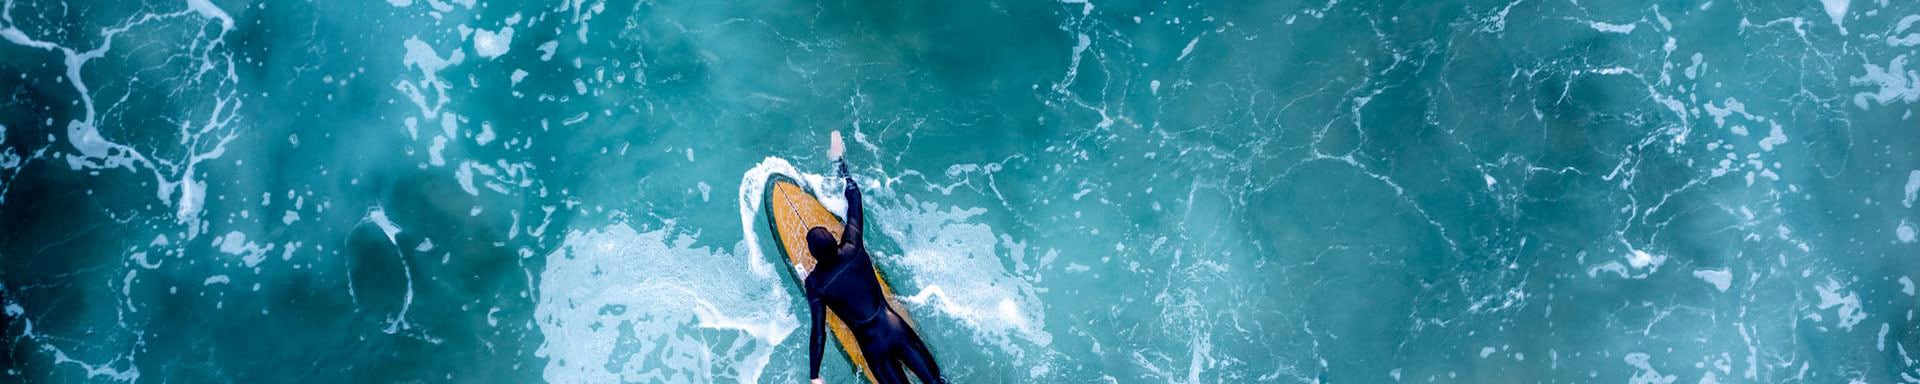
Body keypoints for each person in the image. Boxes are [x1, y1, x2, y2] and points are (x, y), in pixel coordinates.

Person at [806, 131, 943, 384]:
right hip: (895, 328)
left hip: (874, 348)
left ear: (813, 255)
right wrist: (839, 163)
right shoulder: (852, 246)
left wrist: (815, 375)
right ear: (835, 240)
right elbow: (854, 197)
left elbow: (818, 332)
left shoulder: (815, 284)